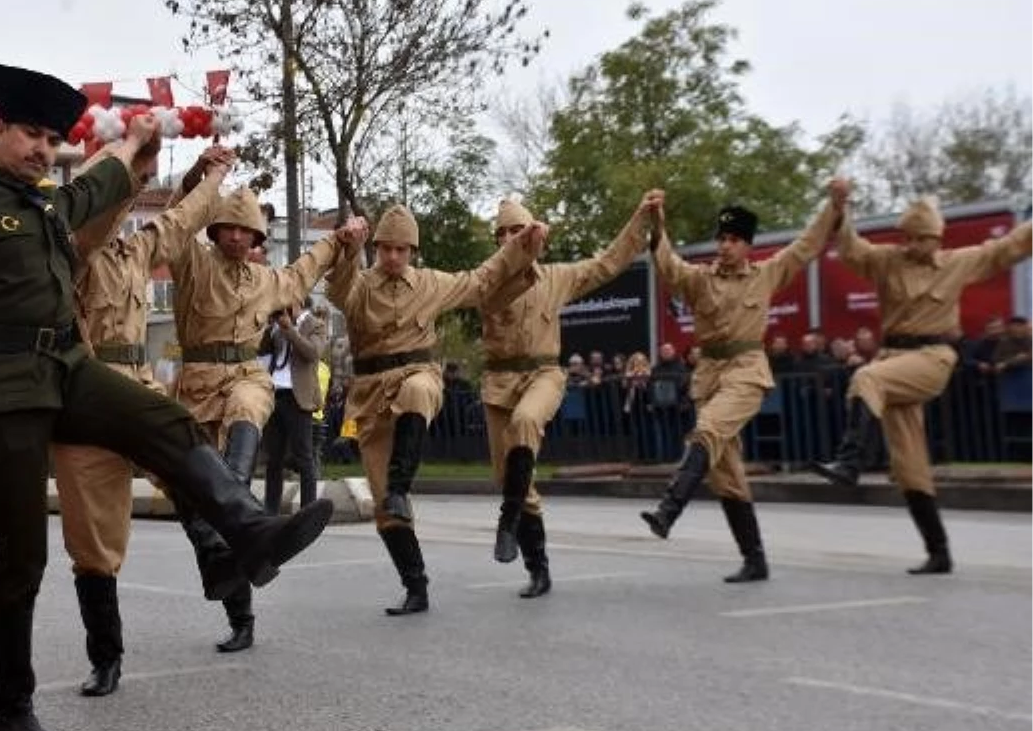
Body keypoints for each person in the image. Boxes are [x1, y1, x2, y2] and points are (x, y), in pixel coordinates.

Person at [0, 62, 334, 731]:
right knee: (23, 552)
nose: (40, 149)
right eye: (29, 133)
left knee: (161, 417)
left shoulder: (49, 207)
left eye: (51, 139)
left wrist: (142, 147)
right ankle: (12, 707)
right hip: (2, 389)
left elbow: (98, 182)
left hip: (67, 366)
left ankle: (249, 533)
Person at [54, 144, 269, 703]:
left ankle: (242, 583)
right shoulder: (71, 250)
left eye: (128, 196)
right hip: (86, 398)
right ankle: (106, 658)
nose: (123, 208)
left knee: (198, 487)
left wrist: (211, 174)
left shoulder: (137, 248)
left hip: (140, 387)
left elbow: (181, 219)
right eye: (116, 193)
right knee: (94, 543)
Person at [164, 181, 364, 646]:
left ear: (258, 239)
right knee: (197, 506)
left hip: (244, 378)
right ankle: (237, 597)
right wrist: (200, 174)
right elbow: (176, 221)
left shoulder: (270, 282)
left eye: (246, 230)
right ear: (215, 231)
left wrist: (344, 236)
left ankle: (234, 500)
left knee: (249, 408)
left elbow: (311, 264)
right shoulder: (192, 262)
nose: (236, 237)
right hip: (195, 384)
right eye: (228, 228)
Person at [326, 204, 547, 615]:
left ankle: (400, 487)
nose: (393, 257)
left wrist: (519, 247)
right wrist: (348, 250)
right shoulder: (358, 287)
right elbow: (338, 289)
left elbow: (481, 281)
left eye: (402, 249)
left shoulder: (431, 284)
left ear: (413, 251)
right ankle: (415, 586)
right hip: (371, 392)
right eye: (386, 248)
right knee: (382, 505)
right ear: (376, 248)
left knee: (417, 391)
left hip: (418, 373)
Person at [637, 181, 847, 583]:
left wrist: (833, 207)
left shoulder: (765, 274)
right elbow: (666, 263)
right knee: (726, 475)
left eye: (733, 239)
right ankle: (755, 560)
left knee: (708, 430)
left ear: (748, 244)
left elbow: (806, 245)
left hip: (746, 372)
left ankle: (669, 509)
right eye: (722, 238)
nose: (725, 245)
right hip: (710, 375)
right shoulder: (700, 280)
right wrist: (657, 223)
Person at [811, 196, 1033, 574]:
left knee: (865, 377)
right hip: (892, 358)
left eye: (919, 238)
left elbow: (1007, 248)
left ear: (936, 238)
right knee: (909, 463)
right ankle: (939, 551)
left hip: (932, 359)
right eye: (906, 237)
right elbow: (850, 249)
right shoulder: (887, 261)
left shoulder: (956, 263)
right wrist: (840, 207)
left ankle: (850, 461)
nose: (910, 244)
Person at [477, 196, 649, 597]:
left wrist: (640, 218)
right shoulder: (487, 281)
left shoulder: (556, 277)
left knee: (525, 421)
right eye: (502, 233)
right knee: (511, 479)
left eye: (516, 231)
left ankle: (507, 520)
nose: (509, 238)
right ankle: (539, 568)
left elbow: (608, 262)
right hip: (499, 380)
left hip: (543, 374)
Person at [261, 298, 329, 515]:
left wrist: (290, 330)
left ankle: (308, 510)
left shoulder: (315, 324)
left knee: (304, 456)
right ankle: (270, 510)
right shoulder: (275, 326)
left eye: (287, 303)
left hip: (298, 397)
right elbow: (260, 351)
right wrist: (266, 326)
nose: (283, 308)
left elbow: (312, 353)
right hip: (274, 393)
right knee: (274, 458)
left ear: (298, 301)